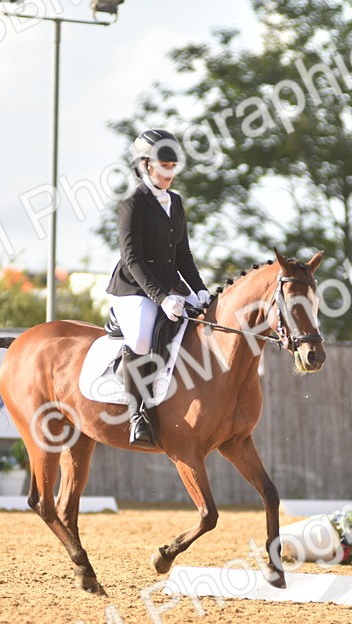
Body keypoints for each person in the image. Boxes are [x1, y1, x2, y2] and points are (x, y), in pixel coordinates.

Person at [105, 129, 210, 449]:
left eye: (172, 165)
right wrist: (162, 299)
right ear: (145, 165)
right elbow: (133, 259)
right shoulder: (132, 204)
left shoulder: (175, 203)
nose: (169, 172)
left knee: (207, 320)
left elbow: (183, 256)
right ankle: (138, 415)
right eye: (163, 165)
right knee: (139, 335)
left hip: (171, 285)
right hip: (134, 289)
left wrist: (201, 291)